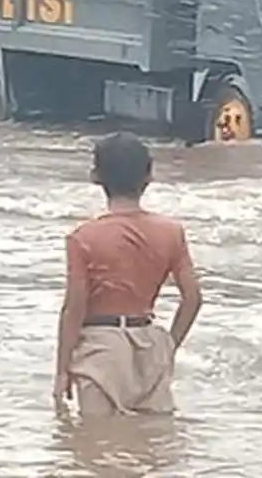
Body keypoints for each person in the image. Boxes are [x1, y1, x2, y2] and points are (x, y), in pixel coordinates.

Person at [53, 132, 202, 418]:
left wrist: (61, 370)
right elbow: (193, 299)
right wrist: (169, 345)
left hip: (101, 350)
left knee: (97, 448)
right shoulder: (171, 232)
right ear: (148, 176)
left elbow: (74, 307)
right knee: (152, 449)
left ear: (95, 176)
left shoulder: (83, 238)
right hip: (150, 344)